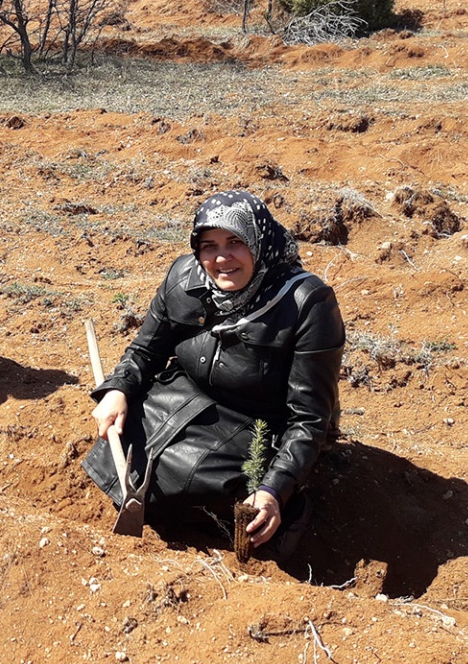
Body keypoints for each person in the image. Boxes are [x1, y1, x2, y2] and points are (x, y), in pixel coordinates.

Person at [86, 190, 345, 557]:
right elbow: (146, 350)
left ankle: (290, 511)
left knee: (224, 492)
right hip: (186, 392)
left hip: (260, 419)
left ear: (259, 242)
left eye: (235, 242)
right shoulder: (183, 277)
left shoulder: (306, 304)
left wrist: (274, 490)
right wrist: (118, 390)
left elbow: (308, 417)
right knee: (118, 448)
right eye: (208, 246)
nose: (221, 258)